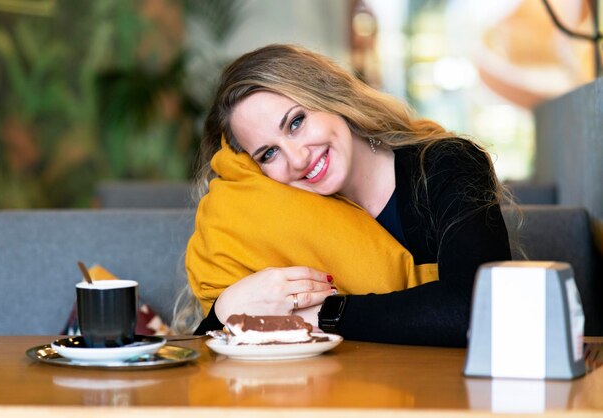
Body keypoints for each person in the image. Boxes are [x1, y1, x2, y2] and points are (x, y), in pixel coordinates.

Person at [179, 44, 512, 347]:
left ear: (330, 95)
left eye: (296, 122)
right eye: (269, 154)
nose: (297, 159)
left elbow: (478, 309)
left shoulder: (446, 163)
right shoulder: (282, 219)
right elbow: (203, 352)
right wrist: (225, 310)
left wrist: (318, 314)